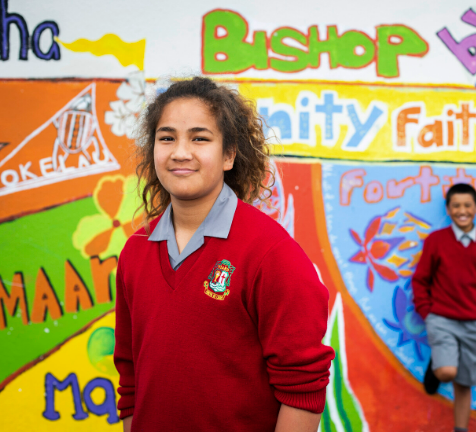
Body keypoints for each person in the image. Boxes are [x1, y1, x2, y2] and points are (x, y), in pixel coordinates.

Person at [113, 77, 335, 432]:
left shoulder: (271, 253)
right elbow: (130, 376)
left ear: (229, 154)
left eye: (200, 138)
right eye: (166, 138)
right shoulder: (135, 251)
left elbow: (303, 391)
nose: (180, 152)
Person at [411, 183, 476, 432]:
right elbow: (421, 280)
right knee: (447, 372)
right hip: (442, 320)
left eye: (467, 205)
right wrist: (427, 314)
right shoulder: (436, 241)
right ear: (448, 209)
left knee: (464, 384)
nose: (462, 210)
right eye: (456, 206)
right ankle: (437, 366)